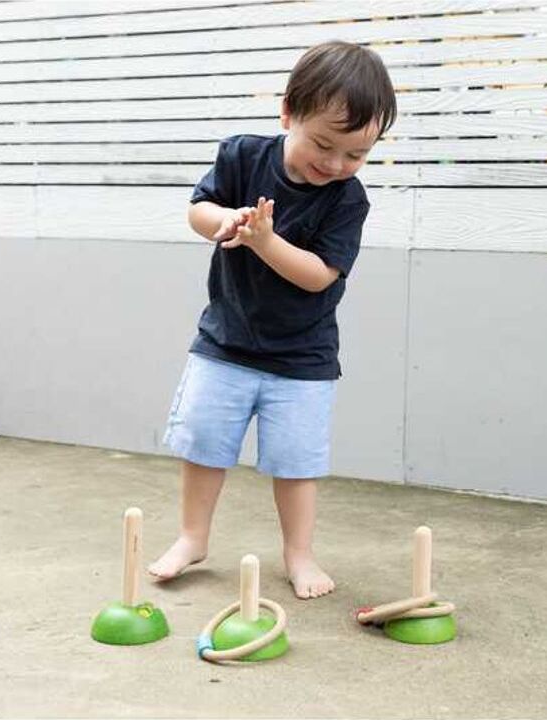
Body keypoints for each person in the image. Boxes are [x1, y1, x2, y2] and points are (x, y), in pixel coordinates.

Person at [147, 41, 396, 600]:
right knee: (204, 444)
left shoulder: (346, 201)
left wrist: (264, 240)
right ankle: (193, 537)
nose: (336, 164)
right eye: (324, 144)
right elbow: (197, 209)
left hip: (302, 361)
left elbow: (318, 276)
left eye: (357, 153)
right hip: (224, 344)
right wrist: (228, 219)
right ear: (289, 113)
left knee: (296, 464)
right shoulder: (241, 156)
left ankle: (299, 554)